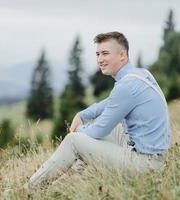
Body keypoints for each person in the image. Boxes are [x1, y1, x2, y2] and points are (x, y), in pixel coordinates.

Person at [25, 31, 171, 189]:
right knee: (109, 126)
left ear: (122, 55)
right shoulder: (140, 74)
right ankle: (70, 178)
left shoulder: (125, 86)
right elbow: (110, 103)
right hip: (154, 156)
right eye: (98, 54)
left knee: (73, 140)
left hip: (145, 164)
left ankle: (30, 189)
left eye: (105, 54)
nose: (100, 60)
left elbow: (98, 132)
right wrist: (82, 115)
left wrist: (79, 130)